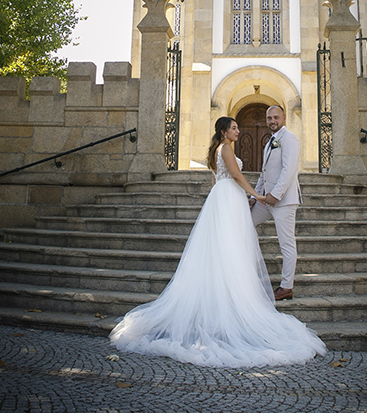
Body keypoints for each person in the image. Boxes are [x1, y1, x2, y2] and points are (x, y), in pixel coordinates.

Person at [110, 117, 326, 367]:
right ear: (224, 132)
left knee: (224, 245)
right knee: (231, 246)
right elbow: (235, 176)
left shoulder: (217, 149)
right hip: (230, 195)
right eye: (234, 128)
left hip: (221, 197)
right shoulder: (226, 149)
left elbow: (215, 180)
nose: (238, 130)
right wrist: (256, 195)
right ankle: (232, 296)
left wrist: (232, 196)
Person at [250, 104, 301, 300]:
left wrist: (276, 194)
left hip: (284, 201)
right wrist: (255, 197)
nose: (272, 121)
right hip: (265, 201)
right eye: (269, 118)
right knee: (244, 222)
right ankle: (247, 273)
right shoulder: (270, 141)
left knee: (287, 244)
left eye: (276, 117)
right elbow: (264, 174)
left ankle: (286, 287)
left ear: (284, 118)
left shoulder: (289, 139)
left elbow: (289, 170)